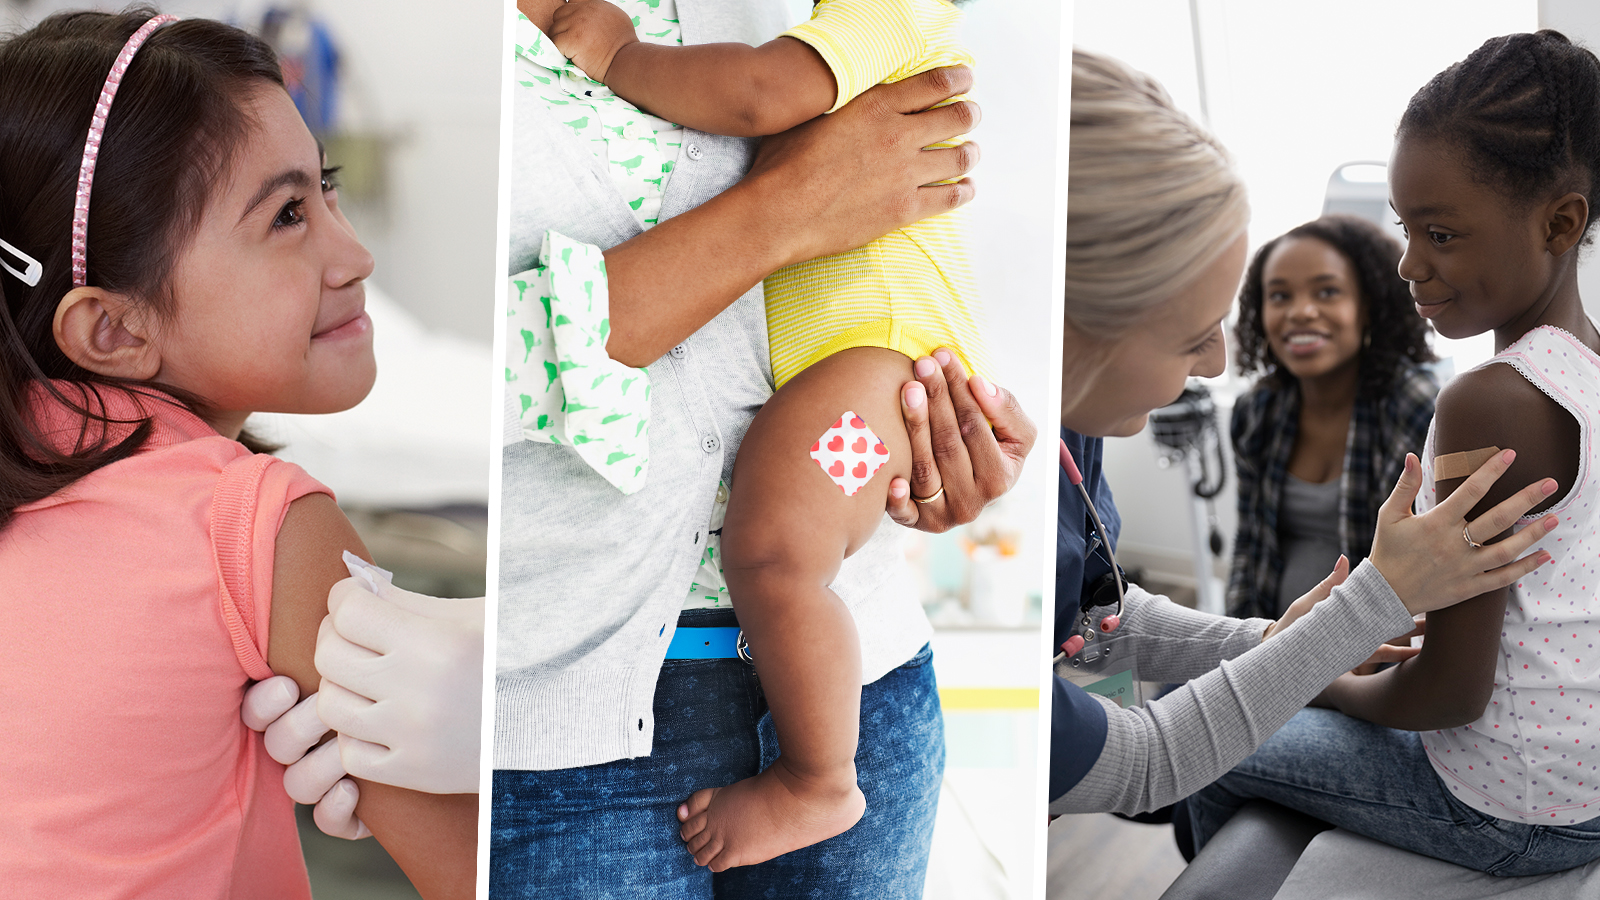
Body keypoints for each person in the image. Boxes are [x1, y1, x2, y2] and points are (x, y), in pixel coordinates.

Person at [490, 1, 1033, 897]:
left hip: (868, 399)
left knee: (776, 553)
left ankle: (821, 779)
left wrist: (621, 53)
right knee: (783, 550)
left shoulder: (877, 12)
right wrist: (785, 208)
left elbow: (756, 91)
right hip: (571, 749)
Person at [0, 9, 473, 899]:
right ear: (113, 327)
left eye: (325, 187)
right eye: (289, 214)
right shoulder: (260, 527)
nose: (356, 253)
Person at [1049, 47, 1557, 819]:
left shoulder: (1469, 403)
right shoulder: (946, 492)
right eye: (1192, 337)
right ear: (1073, 327)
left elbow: (1092, 616)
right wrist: (1355, 618)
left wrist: (1275, 643)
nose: (1219, 365)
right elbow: (1137, 762)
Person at [1189, 30, 1600, 876]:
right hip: (1583, 780)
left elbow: (1451, 694)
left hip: (1514, 809)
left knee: (1210, 739)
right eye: (1407, 230)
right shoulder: (1586, 370)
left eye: (1442, 234)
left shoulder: (1492, 398)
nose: (1411, 263)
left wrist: (1303, 677)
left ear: (1561, 222)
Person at [1228, 215, 1439, 620]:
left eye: (1327, 292)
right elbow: (1248, 545)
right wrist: (1243, 646)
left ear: (1367, 307)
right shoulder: (1257, 411)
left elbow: (1428, 570)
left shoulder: (1415, 406)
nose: (1301, 312)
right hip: (1271, 637)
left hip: (1376, 651)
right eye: (1279, 296)